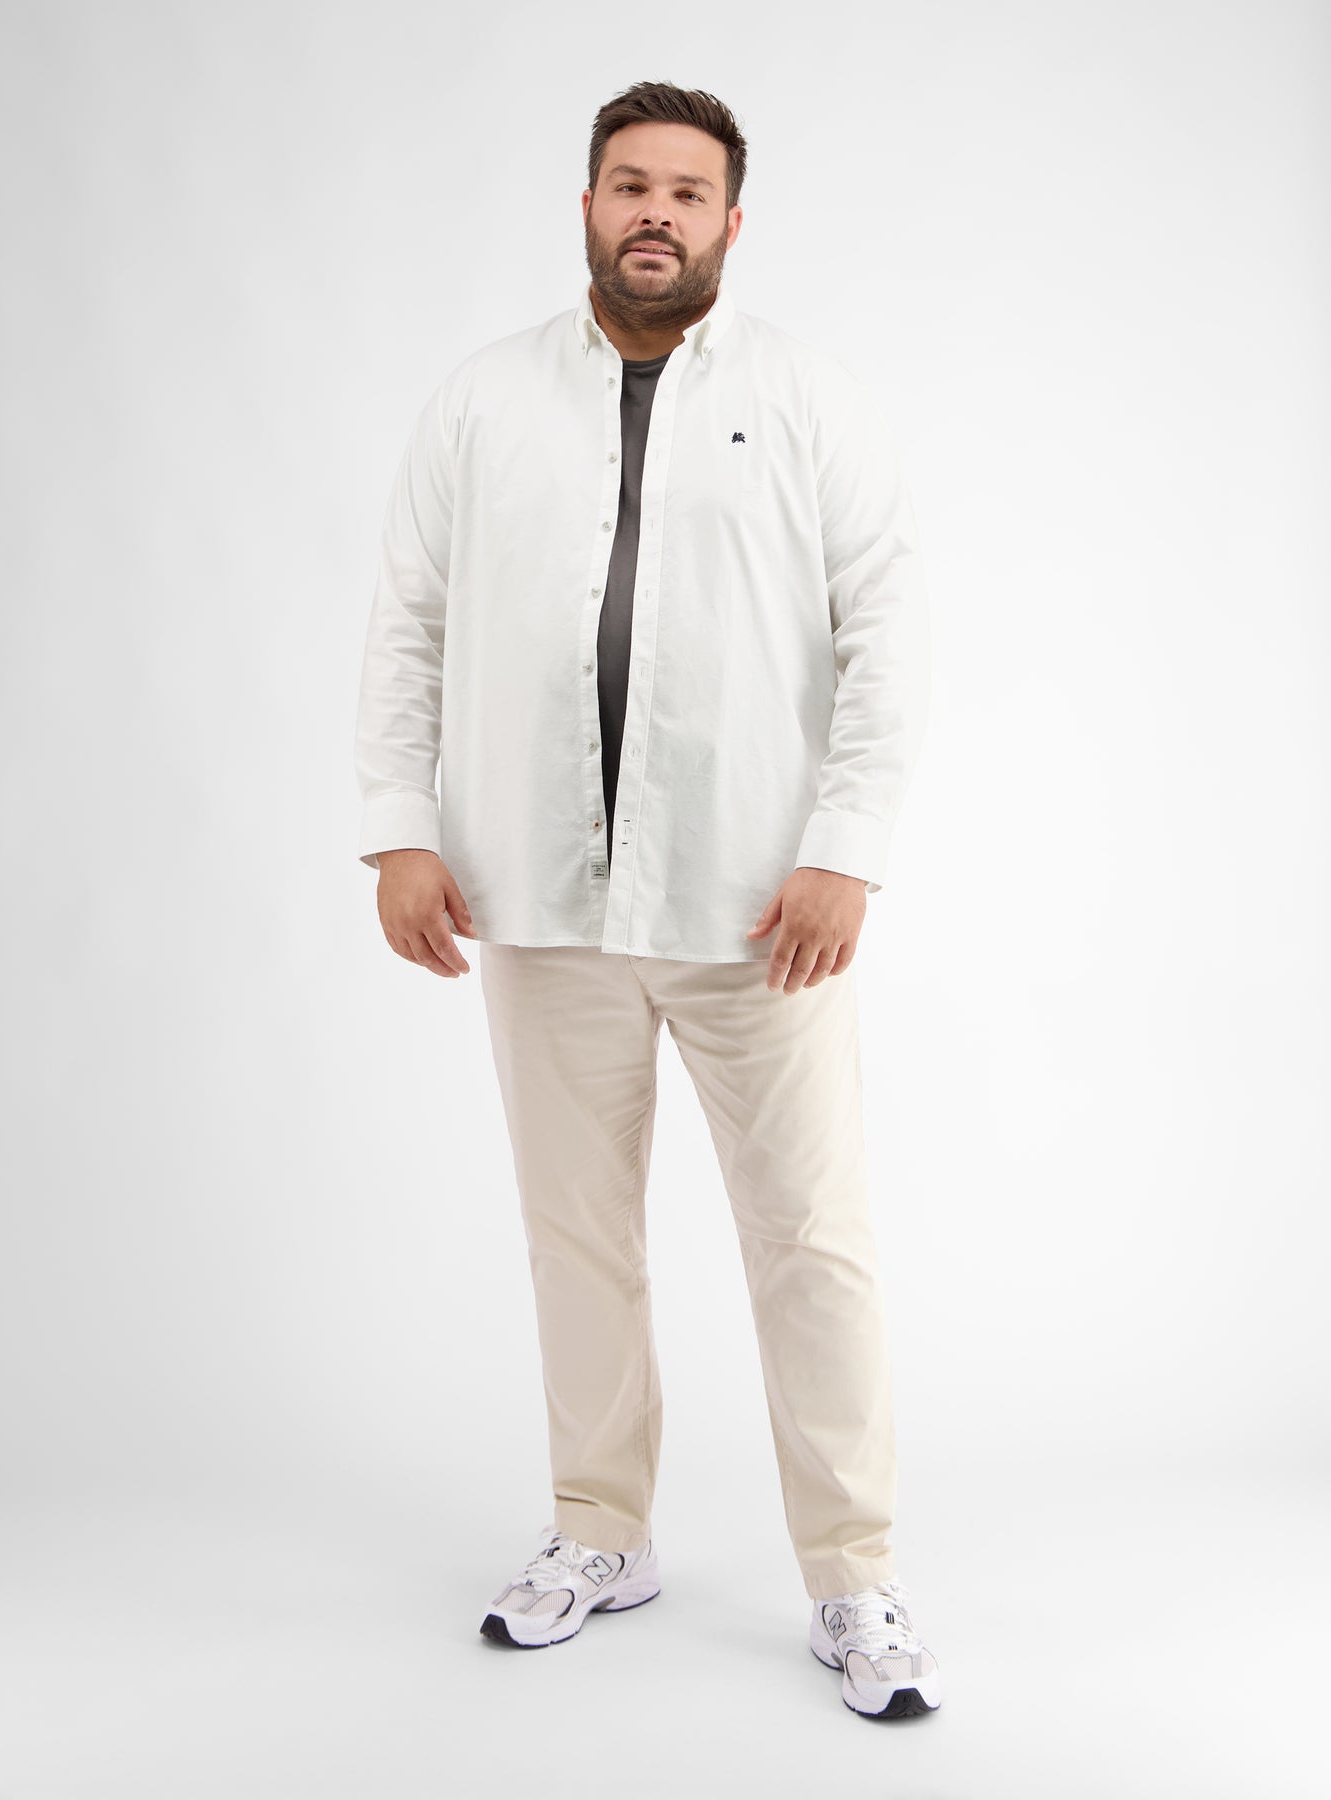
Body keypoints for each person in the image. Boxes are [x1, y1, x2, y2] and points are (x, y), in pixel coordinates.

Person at [353, 80, 940, 1720]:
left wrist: (844, 846)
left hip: (760, 907)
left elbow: (887, 628)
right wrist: (399, 829)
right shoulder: (484, 401)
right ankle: (600, 1532)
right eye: (629, 184)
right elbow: (407, 621)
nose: (655, 213)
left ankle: (854, 1573)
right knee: (575, 1236)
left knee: (810, 1241)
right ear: (588, 206)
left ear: (731, 222)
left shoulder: (805, 398)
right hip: (537, 897)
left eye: (687, 191)